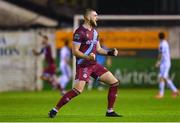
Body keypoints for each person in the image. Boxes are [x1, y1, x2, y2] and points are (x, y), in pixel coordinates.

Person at [48, 8, 121, 118]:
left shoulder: (95, 33)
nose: (97, 18)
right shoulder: (79, 32)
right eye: (95, 15)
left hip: (93, 64)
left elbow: (99, 49)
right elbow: (75, 52)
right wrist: (88, 57)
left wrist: (110, 53)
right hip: (83, 65)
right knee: (78, 90)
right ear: (87, 17)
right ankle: (55, 109)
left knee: (114, 82)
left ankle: (110, 111)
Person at [155, 32, 179, 98]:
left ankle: (161, 94)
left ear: (158, 37)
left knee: (164, 77)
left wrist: (158, 62)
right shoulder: (165, 43)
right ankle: (175, 91)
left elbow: (160, 54)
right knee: (161, 77)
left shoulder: (162, 44)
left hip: (165, 63)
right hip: (164, 63)